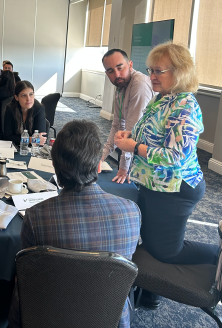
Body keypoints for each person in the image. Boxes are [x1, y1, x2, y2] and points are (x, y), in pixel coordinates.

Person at [114, 42, 218, 308]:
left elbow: (174, 157)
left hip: (176, 188)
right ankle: (151, 294)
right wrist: (131, 136)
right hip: (153, 183)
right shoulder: (162, 99)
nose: (152, 76)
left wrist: (133, 147)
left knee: (167, 250)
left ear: (180, 72)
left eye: (159, 71)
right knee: (149, 240)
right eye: (151, 70)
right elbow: (148, 134)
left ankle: (218, 253)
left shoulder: (185, 106)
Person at [9, 119, 141, 328]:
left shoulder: (36, 216)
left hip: (45, 316)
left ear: (54, 165)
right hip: (109, 317)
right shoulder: (131, 211)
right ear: (99, 164)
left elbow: (27, 274)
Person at [99, 49, 154, 184]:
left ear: (130, 65)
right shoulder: (120, 85)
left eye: (120, 68)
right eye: (111, 71)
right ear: (107, 73)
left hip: (150, 155)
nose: (117, 74)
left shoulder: (139, 85)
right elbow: (118, 125)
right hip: (138, 149)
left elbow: (131, 131)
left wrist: (124, 168)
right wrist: (102, 156)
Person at [3, 81, 47, 146]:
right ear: (16, 97)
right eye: (23, 95)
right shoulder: (10, 109)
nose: (28, 99)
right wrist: (30, 140)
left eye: (31, 94)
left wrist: (30, 140)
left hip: (33, 150)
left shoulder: (39, 109)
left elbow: (40, 140)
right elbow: (7, 137)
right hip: (14, 148)